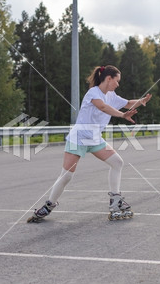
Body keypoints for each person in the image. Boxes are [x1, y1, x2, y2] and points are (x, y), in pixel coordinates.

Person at [27, 65, 152, 222]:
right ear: (108, 79)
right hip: (78, 137)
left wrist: (141, 101)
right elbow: (103, 107)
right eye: (117, 81)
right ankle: (48, 206)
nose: (118, 84)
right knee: (66, 176)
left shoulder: (111, 95)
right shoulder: (93, 93)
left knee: (117, 162)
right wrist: (122, 115)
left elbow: (127, 103)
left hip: (94, 138)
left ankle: (115, 200)